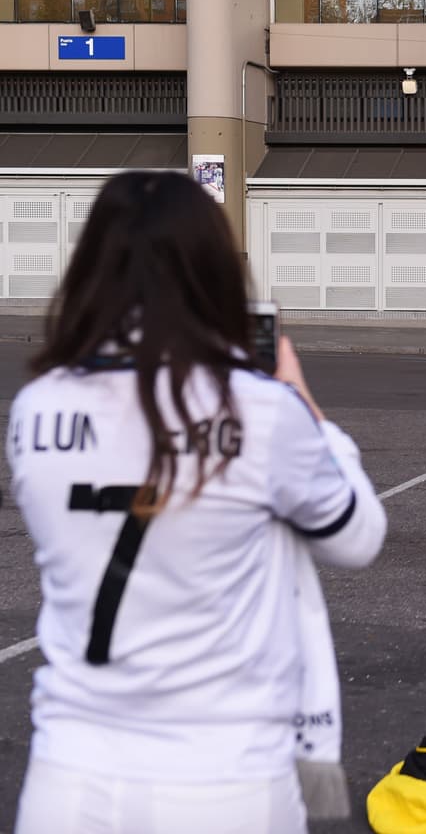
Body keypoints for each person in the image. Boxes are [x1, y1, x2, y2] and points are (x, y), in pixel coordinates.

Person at [6, 172, 387, 834]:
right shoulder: (260, 410)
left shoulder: (35, 407)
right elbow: (356, 536)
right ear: (213, 269)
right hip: (225, 779)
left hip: (67, 775)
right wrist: (304, 404)